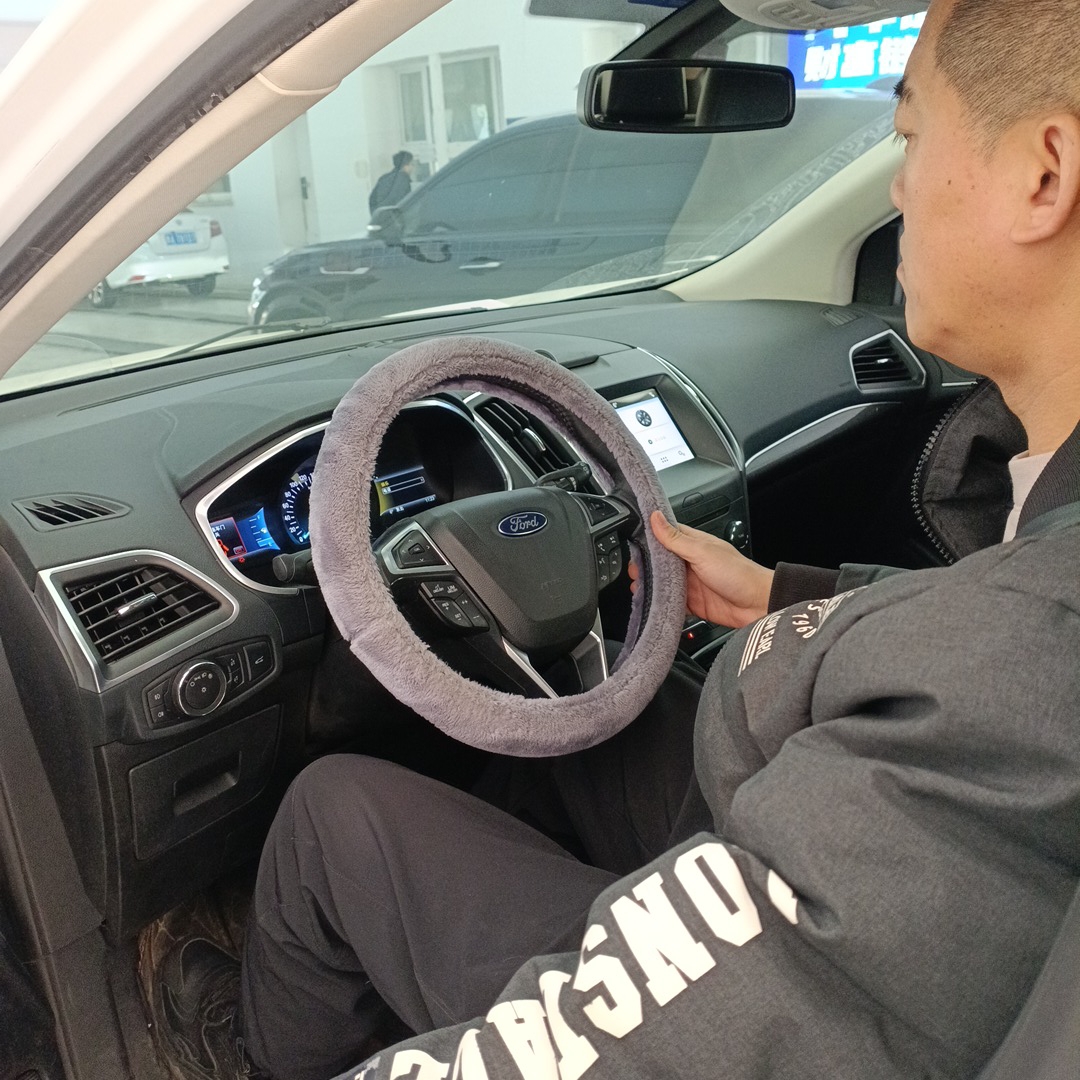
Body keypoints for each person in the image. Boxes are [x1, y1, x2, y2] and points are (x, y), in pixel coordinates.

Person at [157, 1, 1080, 1077]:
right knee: (578, 729)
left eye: (911, 137)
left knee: (332, 814)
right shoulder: (1034, 565)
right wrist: (786, 596)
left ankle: (262, 1049)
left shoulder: (1016, 670)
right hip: (847, 827)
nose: (896, 188)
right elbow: (967, 632)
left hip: (829, 944)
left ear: (1044, 176)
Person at [368, 151, 414, 215]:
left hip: (380, 216)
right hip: (391, 218)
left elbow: (373, 199)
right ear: (405, 166)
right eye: (411, 164)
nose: (412, 167)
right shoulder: (402, 180)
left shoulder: (385, 178)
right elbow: (402, 204)